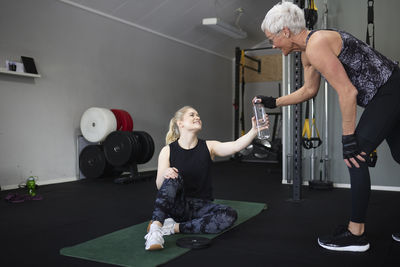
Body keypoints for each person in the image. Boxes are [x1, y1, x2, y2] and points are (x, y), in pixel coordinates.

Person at [257, 1, 400, 252]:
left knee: (355, 157)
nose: (273, 45)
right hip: (390, 91)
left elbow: (347, 91)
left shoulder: (317, 44)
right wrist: (274, 101)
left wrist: (348, 139)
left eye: (272, 39)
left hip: (390, 90)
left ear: (286, 32)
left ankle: (356, 235)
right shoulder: (308, 51)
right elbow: (309, 90)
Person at [144, 106, 269, 250]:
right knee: (172, 177)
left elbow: (235, 146)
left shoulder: (210, 146)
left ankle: (174, 228)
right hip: (178, 206)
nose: (197, 117)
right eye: (192, 115)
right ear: (180, 123)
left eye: (198, 115)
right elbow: (160, 184)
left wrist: (254, 130)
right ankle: (155, 229)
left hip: (201, 206)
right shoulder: (167, 150)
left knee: (229, 215)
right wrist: (167, 173)